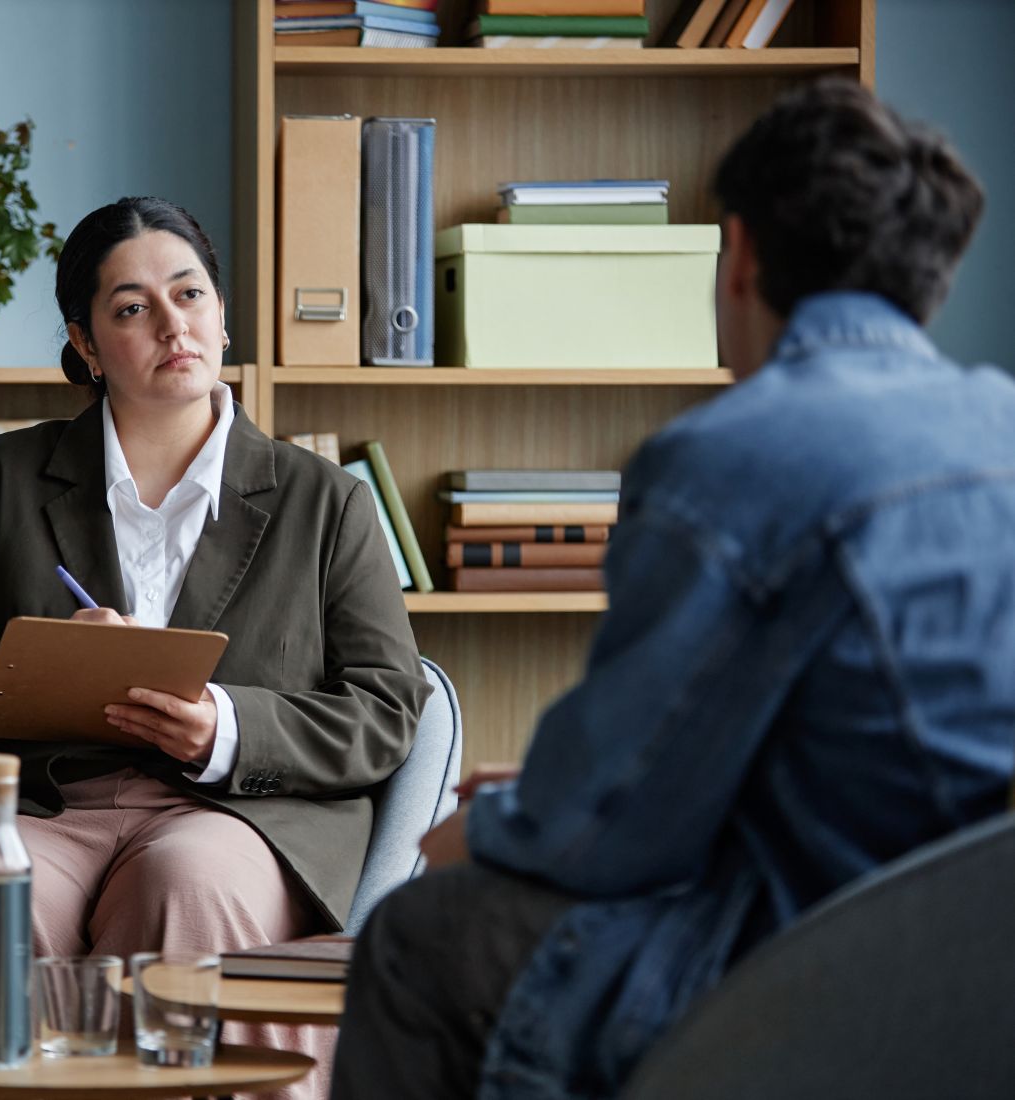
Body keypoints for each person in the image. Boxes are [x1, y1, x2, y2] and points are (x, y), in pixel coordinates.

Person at [331, 78, 1015, 1100]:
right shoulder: (1001, 422)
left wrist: (494, 822)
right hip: (979, 943)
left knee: (414, 935)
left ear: (737, 255)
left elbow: (613, 827)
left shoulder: (730, 452)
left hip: (839, 951)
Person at [0, 196, 432, 1100]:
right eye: (131, 308)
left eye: (190, 294)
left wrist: (225, 730)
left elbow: (388, 711)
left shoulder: (327, 502)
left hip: (236, 814)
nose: (173, 324)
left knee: (186, 883)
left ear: (222, 313)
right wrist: (38, 660)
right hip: (39, 805)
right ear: (85, 346)